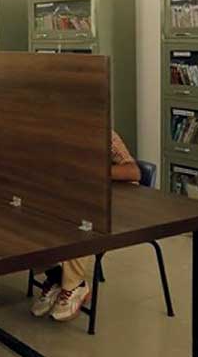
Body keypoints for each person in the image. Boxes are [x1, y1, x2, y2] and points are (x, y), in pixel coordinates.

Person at [30, 131, 140, 322]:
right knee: (32, 217)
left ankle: (73, 285)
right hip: (73, 197)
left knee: (78, 220)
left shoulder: (105, 134)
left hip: (107, 209)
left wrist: (91, 171)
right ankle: (56, 276)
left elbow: (133, 171)